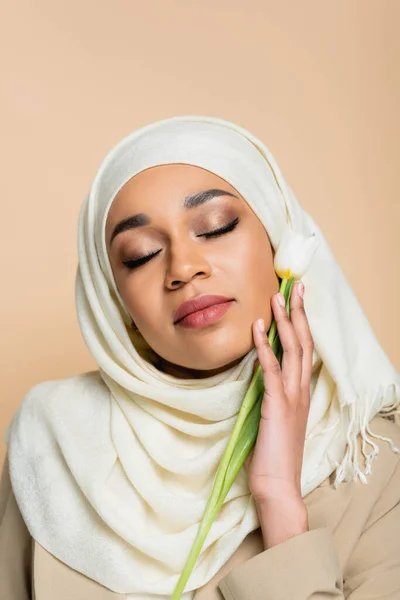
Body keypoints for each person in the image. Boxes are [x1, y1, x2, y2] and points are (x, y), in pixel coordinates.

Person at [1, 115, 400, 600]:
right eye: (141, 254)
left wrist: (279, 500)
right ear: (114, 303)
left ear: (278, 236)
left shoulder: (374, 458)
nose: (184, 268)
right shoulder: (53, 442)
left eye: (216, 227)